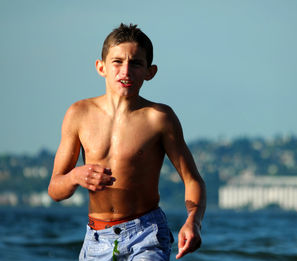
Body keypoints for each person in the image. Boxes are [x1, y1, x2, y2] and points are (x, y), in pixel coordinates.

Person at [48, 23, 206, 260]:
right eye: (117, 61)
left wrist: (194, 221)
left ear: (150, 72)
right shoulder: (78, 114)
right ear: (101, 67)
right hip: (96, 239)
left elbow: (192, 180)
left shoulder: (160, 118)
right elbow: (55, 190)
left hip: (146, 235)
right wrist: (75, 176)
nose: (126, 71)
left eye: (136, 63)